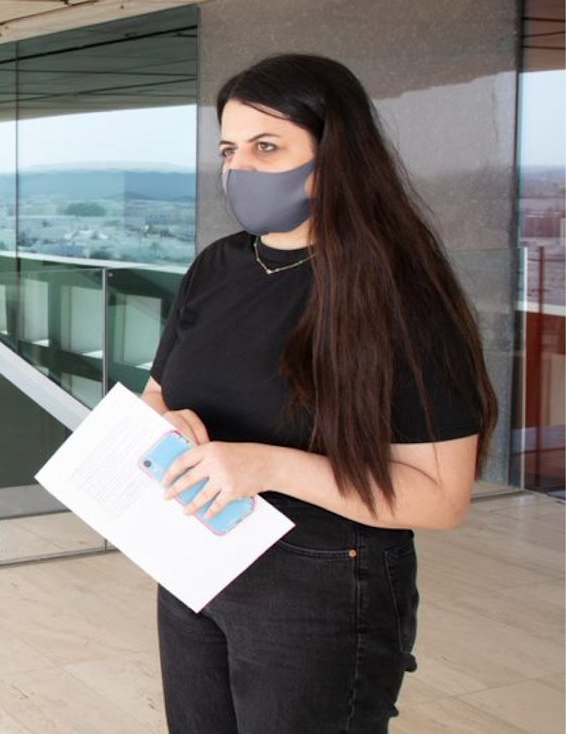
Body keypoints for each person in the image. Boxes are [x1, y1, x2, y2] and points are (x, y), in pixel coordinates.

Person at [144, 53, 498, 733]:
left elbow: (443, 496)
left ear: (336, 155)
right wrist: (170, 423)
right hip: (196, 563)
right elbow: (156, 395)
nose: (239, 169)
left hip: (324, 583)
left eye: (267, 147)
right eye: (230, 149)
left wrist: (269, 466)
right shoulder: (219, 265)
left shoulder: (400, 293)